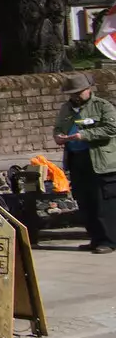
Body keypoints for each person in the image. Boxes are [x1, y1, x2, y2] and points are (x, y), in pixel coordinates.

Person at [55, 73, 116, 253]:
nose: (75, 96)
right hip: (77, 160)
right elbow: (58, 127)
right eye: (72, 93)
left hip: (99, 160)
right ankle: (95, 239)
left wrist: (84, 135)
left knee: (102, 203)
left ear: (88, 90)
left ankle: (109, 241)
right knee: (85, 201)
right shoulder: (66, 109)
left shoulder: (102, 106)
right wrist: (58, 137)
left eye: (79, 92)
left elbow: (112, 128)